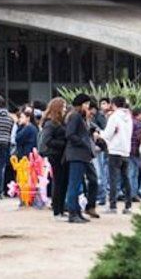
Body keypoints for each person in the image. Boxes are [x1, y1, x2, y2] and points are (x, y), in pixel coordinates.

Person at [63, 94, 96, 224]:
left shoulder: (80, 117)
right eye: (86, 104)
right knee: (74, 185)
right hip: (76, 154)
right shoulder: (75, 116)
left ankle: (77, 211)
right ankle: (72, 212)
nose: (88, 107)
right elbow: (70, 134)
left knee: (77, 185)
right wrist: (83, 142)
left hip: (80, 154)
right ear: (80, 104)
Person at [100, 96, 133, 214]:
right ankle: (128, 206)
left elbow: (107, 134)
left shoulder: (114, 117)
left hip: (115, 150)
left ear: (113, 104)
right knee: (126, 178)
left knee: (113, 179)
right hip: (126, 150)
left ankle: (113, 205)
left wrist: (100, 133)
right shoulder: (129, 117)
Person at [40, 98, 69, 217]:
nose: (65, 109)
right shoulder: (50, 123)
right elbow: (47, 140)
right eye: (63, 107)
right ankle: (57, 209)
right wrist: (63, 143)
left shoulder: (60, 122)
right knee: (58, 182)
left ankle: (61, 208)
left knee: (63, 182)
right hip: (56, 155)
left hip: (61, 155)